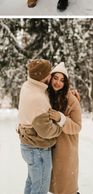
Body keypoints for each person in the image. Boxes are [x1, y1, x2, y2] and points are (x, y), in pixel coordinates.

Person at [18, 59, 65, 194]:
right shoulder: (37, 98)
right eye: (49, 74)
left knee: (32, 183)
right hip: (38, 150)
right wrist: (60, 124)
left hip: (28, 146)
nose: (51, 76)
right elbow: (47, 131)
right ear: (44, 76)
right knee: (39, 190)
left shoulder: (28, 86)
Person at [47, 62, 82, 194]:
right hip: (49, 147)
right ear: (50, 78)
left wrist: (61, 118)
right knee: (54, 185)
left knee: (66, 186)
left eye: (62, 80)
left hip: (66, 149)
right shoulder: (46, 95)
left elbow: (77, 126)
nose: (58, 83)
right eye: (55, 78)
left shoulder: (72, 99)